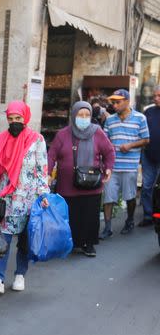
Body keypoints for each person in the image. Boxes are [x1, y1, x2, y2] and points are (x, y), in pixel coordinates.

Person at [0, 101, 50, 294]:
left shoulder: (36, 140)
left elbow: (41, 170)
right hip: (6, 198)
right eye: (11, 119)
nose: (14, 122)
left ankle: (20, 274)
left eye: (18, 118)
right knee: (2, 237)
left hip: (29, 199)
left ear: (25, 118)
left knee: (24, 239)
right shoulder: (0, 139)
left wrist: (43, 194)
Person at [47, 101, 115, 257]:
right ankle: (72, 243)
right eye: (80, 114)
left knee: (90, 215)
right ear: (73, 115)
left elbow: (109, 152)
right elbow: (51, 155)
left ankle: (88, 244)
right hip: (67, 185)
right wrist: (48, 173)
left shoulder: (97, 132)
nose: (84, 118)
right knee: (71, 215)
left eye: (87, 115)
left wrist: (109, 168)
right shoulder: (63, 134)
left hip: (92, 184)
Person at [100, 89, 150, 237]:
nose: (114, 105)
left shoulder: (140, 118)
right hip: (112, 166)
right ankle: (107, 228)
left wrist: (130, 146)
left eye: (117, 102)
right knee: (108, 197)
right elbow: (105, 140)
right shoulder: (110, 120)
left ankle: (129, 220)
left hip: (130, 166)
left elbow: (146, 140)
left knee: (130, 197)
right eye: (113, 102)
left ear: (127, 101)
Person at [140, 85, 160, 227]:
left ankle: (157, 215)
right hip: (148, 156)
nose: (156, 98)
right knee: (147, 186)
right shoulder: (149, 112)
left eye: (159, 96)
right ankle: (148, 215)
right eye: (155, 96)